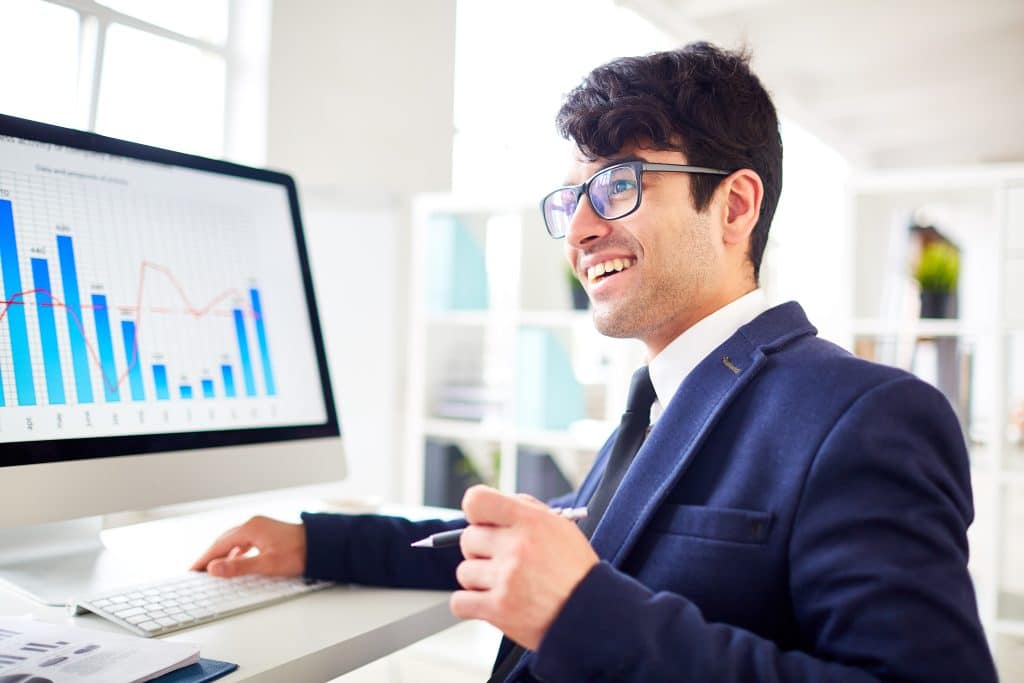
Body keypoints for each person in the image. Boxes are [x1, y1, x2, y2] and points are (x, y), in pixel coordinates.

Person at [193, 42, 997, 682]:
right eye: (571, 199)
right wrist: (316, 542)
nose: (578, 230)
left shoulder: (866, 415)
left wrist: (581, 611)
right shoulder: (661, 400)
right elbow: (538, 539)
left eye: (617, 185)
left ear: (735, 205)